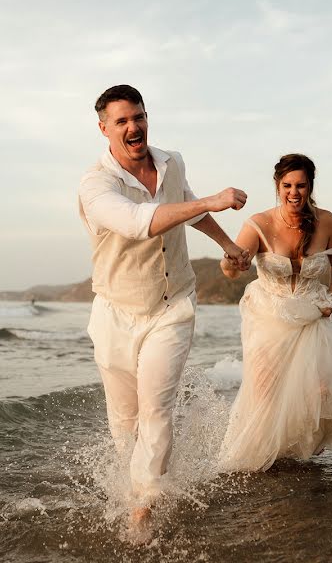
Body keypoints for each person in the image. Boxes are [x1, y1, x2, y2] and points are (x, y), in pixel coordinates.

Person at [78, 85, 251, 529]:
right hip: (116, 312)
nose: (133, 127)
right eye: (121, 121)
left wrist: (229, 244)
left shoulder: (171, 162)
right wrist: (213, 199)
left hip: (172, 307)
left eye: (138, 117)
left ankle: (143, 511)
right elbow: (140, 224)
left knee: (156, 408)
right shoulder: (96, 186)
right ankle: (136, 485)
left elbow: (188, 211)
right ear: (104, 130)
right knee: (125, 421)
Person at [218, 153, 332, 472]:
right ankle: (265, 461)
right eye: (287, 185)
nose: (294, 192)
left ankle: (298, 452)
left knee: (320, 391)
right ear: (278, 186)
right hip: (269, 317)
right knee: (265, 393)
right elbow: (231, 269)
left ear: (310, 187)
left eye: (301, 185)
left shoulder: (328, 222)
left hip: (312, 316)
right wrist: (230, 261)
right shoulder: (259, 223)